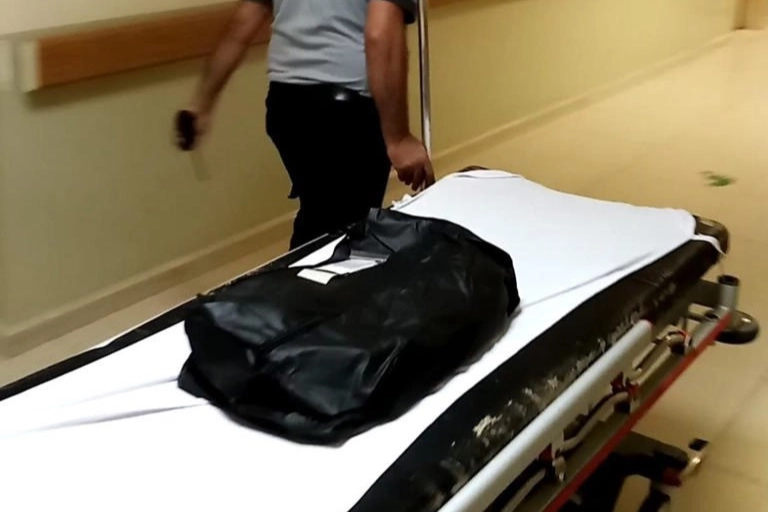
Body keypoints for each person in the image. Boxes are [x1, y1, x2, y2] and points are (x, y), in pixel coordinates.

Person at [182, 0, 435, 249]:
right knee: (342, 236)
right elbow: (380, 34)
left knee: (320, 218)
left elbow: (243, 20)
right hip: (346, 110)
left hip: (287, 104)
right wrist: (398, 138)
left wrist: (201, 103)